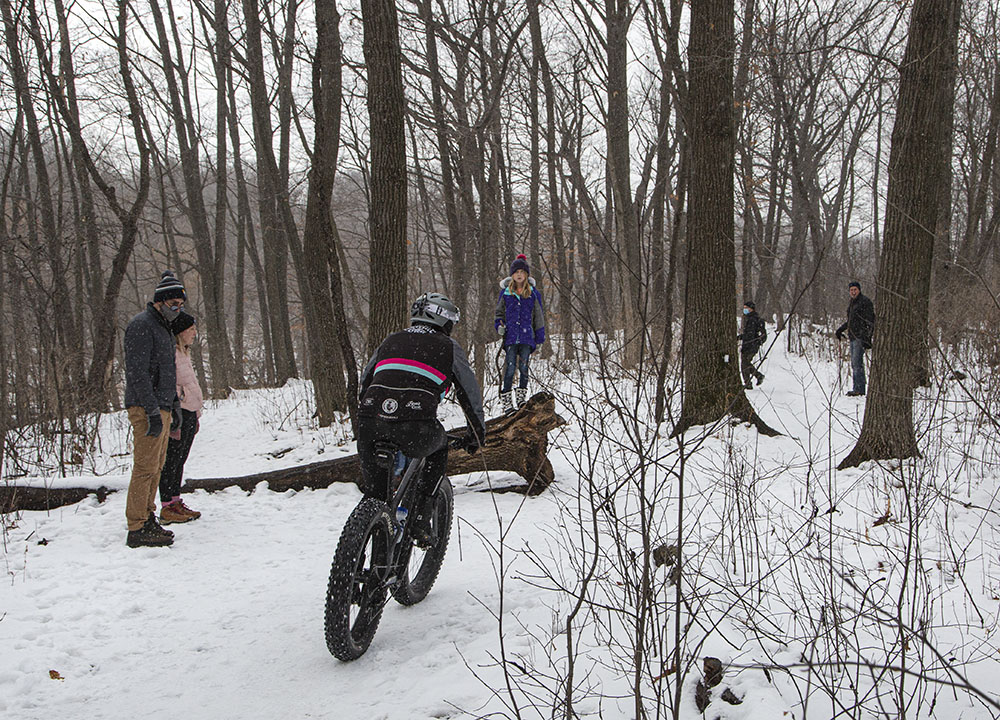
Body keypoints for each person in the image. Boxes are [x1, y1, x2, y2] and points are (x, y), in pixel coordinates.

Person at [357, 292, 486, 546]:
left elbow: (366, 382)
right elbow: (468, 391)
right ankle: (419, 519)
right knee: (438, 449)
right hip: (414, 425)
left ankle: (362, 538)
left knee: (375, 496)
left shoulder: (391, 339)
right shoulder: (448, 347)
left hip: (370, 421)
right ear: (443, 321)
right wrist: (477, 432)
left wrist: (370, 412)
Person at [122, 271, 185, 548]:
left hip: (163, 406)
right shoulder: (141, 326)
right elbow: (138, 373)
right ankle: (137, 526)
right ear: (160, 302)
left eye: (180, 305)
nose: (177, 310)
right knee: (145, 467)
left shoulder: (164, 329)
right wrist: (150, 410)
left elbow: (167, 371)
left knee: (157, 466)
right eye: (173, 304)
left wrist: (173, 406)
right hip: (145, 406)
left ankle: (148, 517)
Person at [158, 311, 204, 525]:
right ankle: (167, 505)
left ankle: (176, 501)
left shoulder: (184, 353)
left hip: (189, 412)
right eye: (191, 329)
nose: (195, 333)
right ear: (180, 331)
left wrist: (195, 411)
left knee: (180, 460)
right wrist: (181, 400)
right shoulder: (170, 354)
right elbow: (167, 383)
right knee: (171, 460)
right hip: (178, 412)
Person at [494, 254, 545, 413]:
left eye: (522, 272)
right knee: (509, 369)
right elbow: (499, 314)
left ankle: (522, 399)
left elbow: (539, 315)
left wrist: (539, 335)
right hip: (510, 337)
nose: (519, 275)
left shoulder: (533, 294)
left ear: (527, 275)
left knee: (523, 368)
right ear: (512, 274)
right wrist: (499, 325)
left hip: (526, 337)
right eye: (516, 272)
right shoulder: (506, 293)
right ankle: (507, 401)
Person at [836, 281, 875, 397]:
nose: (853, 292)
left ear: (859, 290)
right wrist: (840, 330)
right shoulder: (852, 303)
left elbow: (871, 320)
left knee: (857, 363)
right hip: (852, 336)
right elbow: (851, 321)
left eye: (855, 290)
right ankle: (857, 387)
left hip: (860, 337)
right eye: (851, 290)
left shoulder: (865, 302)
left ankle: (859, 389)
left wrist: (867, 337)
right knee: (854, 363)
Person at [737, 300, 766, 389]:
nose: (744, 310)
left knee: (744, 363)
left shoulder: (753, 320)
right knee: (745, 363)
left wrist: (740, 338)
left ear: (751, 309)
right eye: (744, 308)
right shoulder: (751, 318)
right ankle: (755, 377)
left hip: (750, 345)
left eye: (746, 308)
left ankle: (749, 382)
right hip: (750, 345)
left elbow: (751, 334)